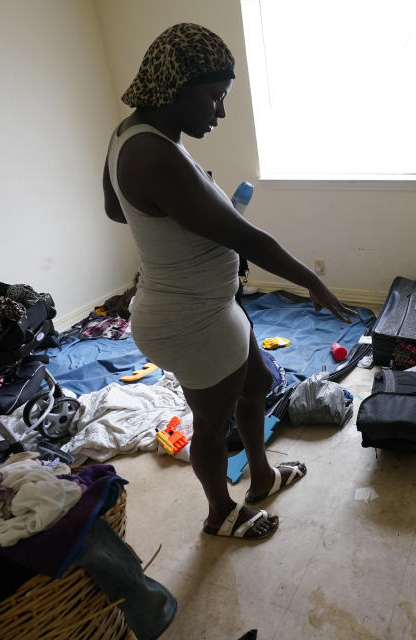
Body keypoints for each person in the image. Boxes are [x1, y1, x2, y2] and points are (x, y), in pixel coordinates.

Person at [102, 23, 356, 540]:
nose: (219, 112)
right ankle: (220, 513)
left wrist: (183, 221)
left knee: (259, 382)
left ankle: (260, 478)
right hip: (189, 318)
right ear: (176, 86)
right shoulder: (154, 154)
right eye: (214, 97)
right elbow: (252, 240)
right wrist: (314, 282)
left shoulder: (134, 132)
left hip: (210, 306)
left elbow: (115, 208)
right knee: (212, 428)